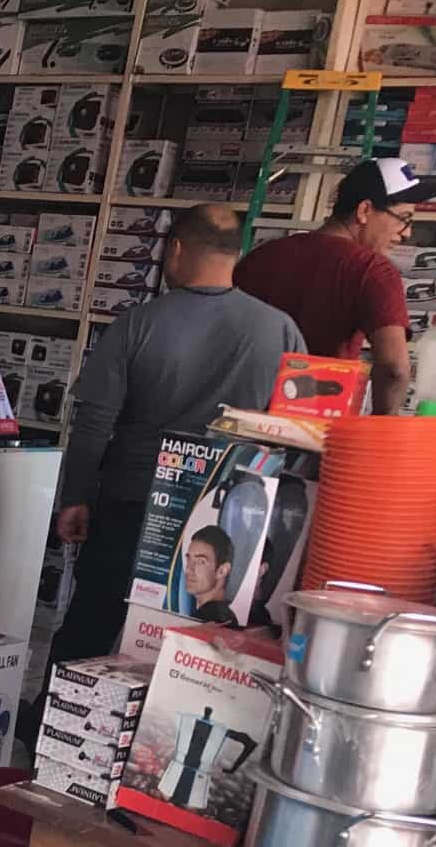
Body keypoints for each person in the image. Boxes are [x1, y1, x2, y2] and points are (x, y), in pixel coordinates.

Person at [48, 204, 303, 668]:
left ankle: (57, 707)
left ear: (177, 249)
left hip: (133, 505)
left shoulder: (138, 323)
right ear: (237, 253)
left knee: (92, 623)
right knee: (207, 643)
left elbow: (94, 422)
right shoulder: (280, 330)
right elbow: (297, 432)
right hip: (231, 515)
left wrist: (76, 496)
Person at [234, 156, 436, 415]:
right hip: (316, 419)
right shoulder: (371, 269)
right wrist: (382, 425)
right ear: (364, 210)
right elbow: (394, 369)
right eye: (403, 218)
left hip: (243, 415)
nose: (407, 232)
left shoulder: (261, 256)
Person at [183, 525, 238, 626]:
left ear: (222, 571)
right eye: (188, 559)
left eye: (200, 561)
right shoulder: (227, 616)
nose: (188, 569)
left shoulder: (206, 621)